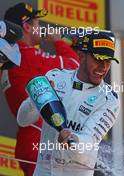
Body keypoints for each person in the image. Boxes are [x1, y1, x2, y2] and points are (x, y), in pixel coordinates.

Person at [17, 30, 120, 176]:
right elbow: (23, 120)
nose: (103, 67)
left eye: (108, 61)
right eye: (98, 59)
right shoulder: (55, 77)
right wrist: (35, 100)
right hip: (43, 171)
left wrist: (73, 139)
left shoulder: (109, 100)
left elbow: (89, 140)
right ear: (81, 56)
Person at [1, 3, 80, 175]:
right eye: (37, 23)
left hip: (33, 138)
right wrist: (59, 42)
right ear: (27, 27)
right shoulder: (25, 55)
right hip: (39, 140)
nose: (42, 28)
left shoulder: (13, 56)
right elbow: (75, 66)